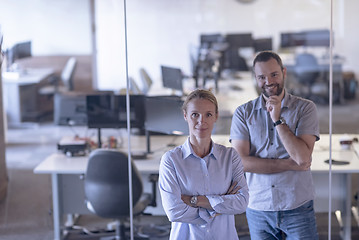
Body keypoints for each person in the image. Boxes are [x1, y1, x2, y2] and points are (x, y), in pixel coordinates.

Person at [230, 51, 320, 239]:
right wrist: (289, 164)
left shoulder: (305, 108)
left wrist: (277, 120)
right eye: (262, 77)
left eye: (274, 75)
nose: (269, 81)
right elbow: (241, 163)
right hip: (258, 207)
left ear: (284, 72)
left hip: (297, 206)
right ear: (255, 79)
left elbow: (303, 158)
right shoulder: (243, 113)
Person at [159, 89, 249, 240]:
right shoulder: (171, 160)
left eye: (208, 114)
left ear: (216, 116)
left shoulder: (230, 157)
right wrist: (220, 205)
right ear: (185, 116)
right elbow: (174, 211)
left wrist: (194, 201)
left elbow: (242, 203)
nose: (202, 121)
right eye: (195, 115)